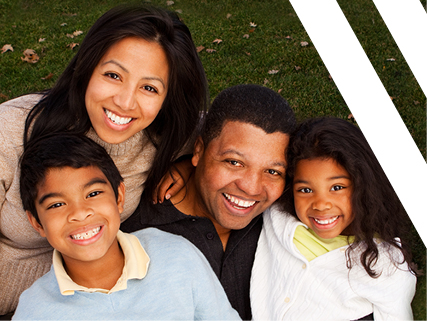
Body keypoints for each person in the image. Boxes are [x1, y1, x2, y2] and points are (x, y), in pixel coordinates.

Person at [0, 3, 208, 314]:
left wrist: (187, 163)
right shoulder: (11, 133)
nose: (125, 102)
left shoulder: (166, 136)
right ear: (86, 69)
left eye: (149, 87)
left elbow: (238, 139)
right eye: (113, 75)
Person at [13, 134, 240, 320]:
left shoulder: (177, 255)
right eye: (57, 204)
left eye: (93, 193)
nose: (80, 213)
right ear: (36, 223)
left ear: (119, 197)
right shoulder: (34, 311)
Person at [121, 84, 297, 320]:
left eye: (273, 172)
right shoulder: (136, 236)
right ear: (198, 150)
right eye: (234, 162)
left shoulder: (284, 223)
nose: (251, 187)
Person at [250, 116, 417, 321]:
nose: (320, 204)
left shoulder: (386, 263)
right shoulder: (277, 218)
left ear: (362, 187)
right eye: (305, 189)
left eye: (337, 188)